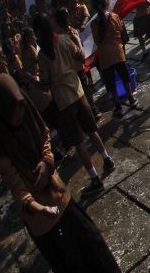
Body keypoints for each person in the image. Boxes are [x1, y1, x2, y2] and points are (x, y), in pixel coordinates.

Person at [0, 74, 146, 273]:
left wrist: (47, 162)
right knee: (72, 266)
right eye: (14, 112)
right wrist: (39, 208)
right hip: (41, 220)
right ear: (1, 113)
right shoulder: (1, 146)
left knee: (92, 242)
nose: (19, 116)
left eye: (21, 108)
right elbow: (18, 190)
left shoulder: (29, 117)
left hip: (61, 197)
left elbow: (45, 138)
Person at [33, 14, 113, 196]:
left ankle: (95, 179)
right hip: (78, 92)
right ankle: (107, 160)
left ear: (38, 32)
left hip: (63, 101)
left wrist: (36, 82)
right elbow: (80, 55)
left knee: (78, 142)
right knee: (92, 131)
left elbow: (45, 85)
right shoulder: (62, 40)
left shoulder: (42, 54)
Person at [90, 0, 138, 117]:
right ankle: (131, 99)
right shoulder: (114, 16)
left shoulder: (93, 23)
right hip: (117, 52)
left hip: (104, 57)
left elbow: (96, 41)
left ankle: (117, 105)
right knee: (125, 77)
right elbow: (121, 31)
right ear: (106, 3)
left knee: (110, 82)